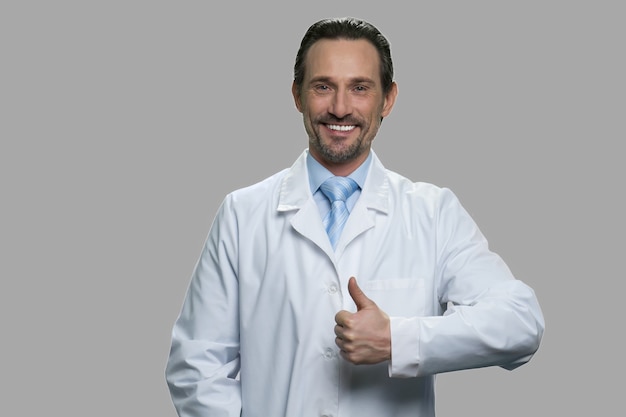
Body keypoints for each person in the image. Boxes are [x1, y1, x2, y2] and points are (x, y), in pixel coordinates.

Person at [165, 17, 545, 417]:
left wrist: (398, 340)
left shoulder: (433, 214)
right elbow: (195, 367)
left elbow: (520, 323)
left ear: (388, 99)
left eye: (360, 88)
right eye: (323, 86)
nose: (340, 107)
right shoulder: (242, 215)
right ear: (298, 95)